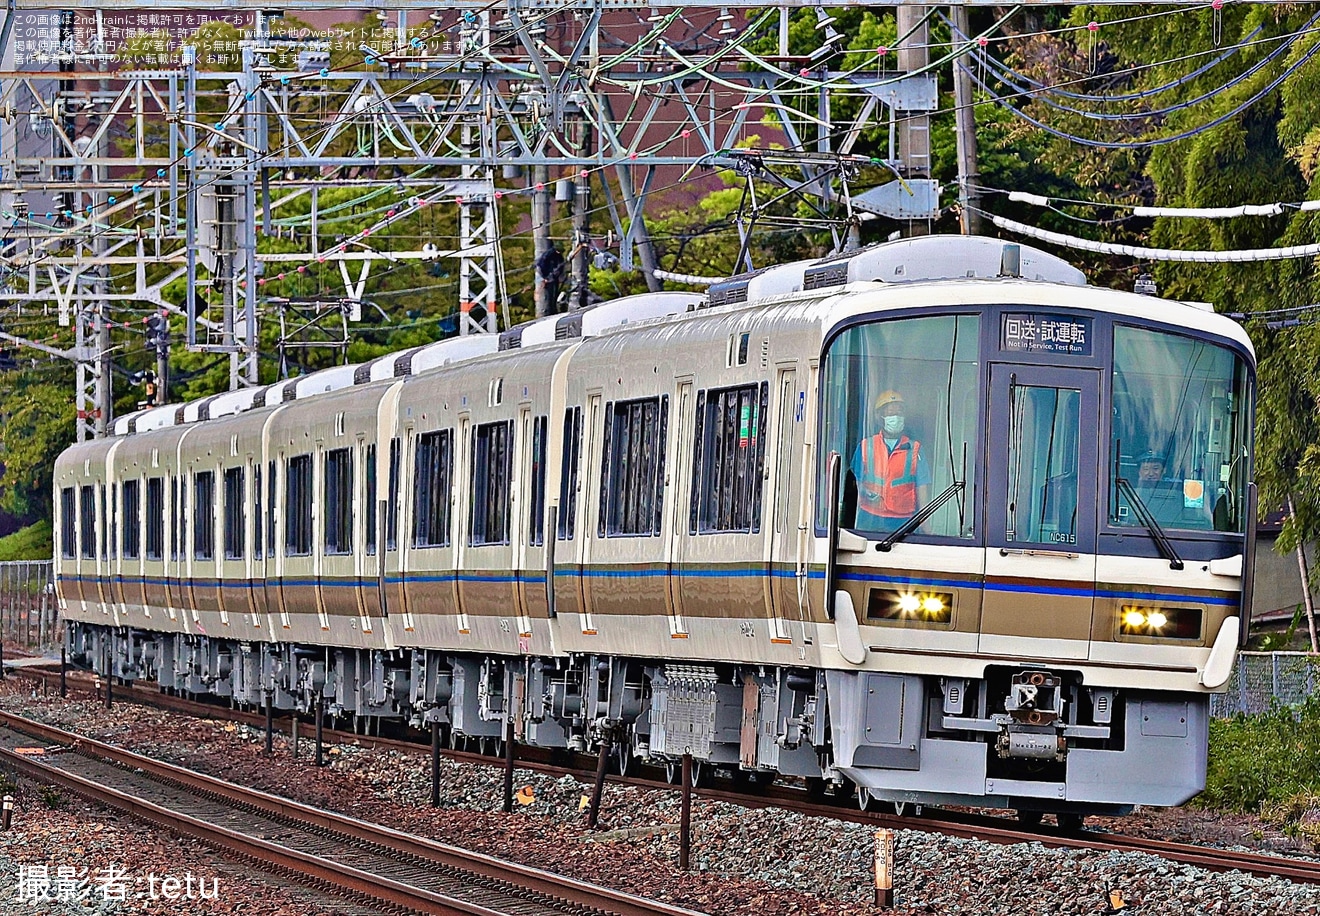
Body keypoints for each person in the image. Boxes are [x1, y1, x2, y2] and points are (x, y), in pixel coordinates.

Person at [851, 390, 930, 531]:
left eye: (899, 413)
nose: (896, 417)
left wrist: (925, 525)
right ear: (879, 417)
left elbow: (922, 488)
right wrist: (864, 492)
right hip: (869, 518)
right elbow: (853, 484)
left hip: (903, 521)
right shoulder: (865, 446)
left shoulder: (915, 449)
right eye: (890, 413)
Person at [1130, 451, 1211, 529]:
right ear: (1139, 472)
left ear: (1164, 470)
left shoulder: (1176, 488)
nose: (1150, 473)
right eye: (1146, 469)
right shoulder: (1130, 488)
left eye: (1155, 468)